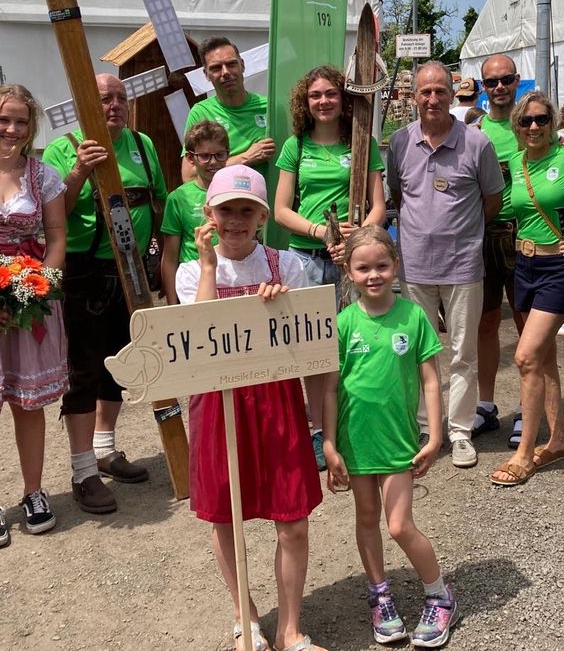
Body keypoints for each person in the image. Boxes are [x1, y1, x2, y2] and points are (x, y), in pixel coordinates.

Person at [175, 165, 324, 651]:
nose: (235, 221)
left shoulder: (288, 266)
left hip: (276, 398)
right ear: (208, 214)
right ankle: (246, 615)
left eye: (246, 211)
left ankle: (290, 627)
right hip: (217, 402)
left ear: (262, 216)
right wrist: (212, 269)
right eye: (225, 210)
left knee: (293, 515)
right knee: (223, 513)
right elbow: (195, 337)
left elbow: (309, 340)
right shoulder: (192, 270)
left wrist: (281, 307)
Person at [323, 226, 459, 649]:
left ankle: (439, 595)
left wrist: (434, 434)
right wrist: (328, 443)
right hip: (355, 442)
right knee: (366, 519)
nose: (373, 275)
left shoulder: (414, 315)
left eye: (382, 265)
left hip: (400, 442)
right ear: (348, 271)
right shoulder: (342, 323)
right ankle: (379, 594)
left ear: (395, 266)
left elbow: (431, 380)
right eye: (363, 268)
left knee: (399, 525)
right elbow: (329, 387)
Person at [43, 74, 167, 514]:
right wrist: (79, 170)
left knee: (122, 362)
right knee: (83, 370)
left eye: (120, 97)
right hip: (83, 272)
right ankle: (82, 472)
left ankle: (105, 449)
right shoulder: (63, 147)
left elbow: (159, 202)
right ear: (84, 106)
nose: (114, 105)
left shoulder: (142, 143)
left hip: (131, 269)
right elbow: (51, 215)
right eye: (103, 99)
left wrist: (159, 266)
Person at [387, 61, 503, 469]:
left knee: (462, 353)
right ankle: (424, 427)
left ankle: (460, 431)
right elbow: (399, 197)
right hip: (415, 266)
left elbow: (492, 201)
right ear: (414, 97)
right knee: (419, 351)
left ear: (453, 95)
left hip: (463, 265)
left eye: (440, 91)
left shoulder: (476, 144)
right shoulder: (400, 143)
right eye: (425, 92)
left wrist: (461, 233)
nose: (432, 98)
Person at [274, 65, 385, 471]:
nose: (323, 101)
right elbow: (282, 210)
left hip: (349, 260)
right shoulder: (295, 146)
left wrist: (355, 240)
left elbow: (378, 207)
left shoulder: (362, 144)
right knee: (313, 349)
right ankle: (320, 431)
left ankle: (353, 423)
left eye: (331, 94)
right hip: (305, 258)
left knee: (353, 343)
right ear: (305, 102)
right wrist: (322, 232)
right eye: (315, 95)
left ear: (345, 99)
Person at [490, 91, 564, 486]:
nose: (533, 127)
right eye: (526, 121)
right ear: (516, 126)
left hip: (558, 266)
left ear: (553, 123)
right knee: (544, 358)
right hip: (523, 264)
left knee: (525, 356)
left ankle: (525, 452)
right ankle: (557, 439)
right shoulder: (516, 161)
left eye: (542, 120)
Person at [0, 85, 67, 542]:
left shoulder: (43, 175)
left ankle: (34, 491)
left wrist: (35, 290)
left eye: (21, 121)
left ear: (32, 126)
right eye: (4, 119)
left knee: (28, 404)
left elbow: (57, 238)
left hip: (29, 300)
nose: (11, 129)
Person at [471, 55, 524, 449]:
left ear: (517, 81)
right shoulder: (474, 131)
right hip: (485, 234)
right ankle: (486, 405)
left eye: (506, 79)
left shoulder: (533, 125)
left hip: (525, 234)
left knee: (527, 325)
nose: (500, 87)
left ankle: (527, 406)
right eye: (492, 82)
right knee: (486, 324)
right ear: (483, 87)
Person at [182, 37, 274, 182]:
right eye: (216, 68)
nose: (225, 72)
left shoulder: (270, 107)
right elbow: (189, 175)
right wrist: (246, 157)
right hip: (223, 202)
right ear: (206, 74)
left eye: (231, 64)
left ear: (242, 65)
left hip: (266, 202)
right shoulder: (201, 113)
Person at [161, 120, 229, 305]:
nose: (213, 162)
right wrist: (172, 303)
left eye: (219, 155)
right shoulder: (179, 198)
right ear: (191, 158)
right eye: (205, 156)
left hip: (232, 280)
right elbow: (170, 257)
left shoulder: (236, 191)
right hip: (193, 282)